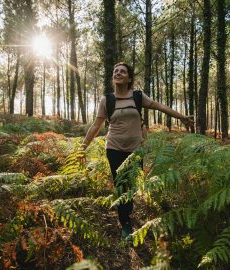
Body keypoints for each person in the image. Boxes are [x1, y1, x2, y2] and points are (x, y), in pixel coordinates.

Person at [81, 62, 193, 239]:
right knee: (121, 184)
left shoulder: (137, 97)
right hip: (114, 148)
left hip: (136, 149)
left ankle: (126, 212)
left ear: (129, 78)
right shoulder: (106, 100)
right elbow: (96, 126)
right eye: (115, 71)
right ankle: (125, 222)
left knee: (132, 186)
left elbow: (159, 106)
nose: (118, 73)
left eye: (123, 72)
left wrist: (182, 117)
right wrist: (82, 148)